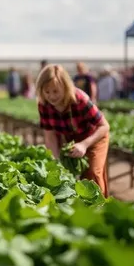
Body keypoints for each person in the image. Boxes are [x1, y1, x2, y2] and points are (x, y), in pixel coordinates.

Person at [36, 64, 111, 197]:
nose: (51, 96)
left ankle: (100, 209)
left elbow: (104, 126)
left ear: (65, 87)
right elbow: (50, 136)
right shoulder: (43, 104)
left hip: (95, 137)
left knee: (93, 173)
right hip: (71, 140)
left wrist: (84, 144)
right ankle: (82, 208)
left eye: (55, 91)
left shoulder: (79, 99)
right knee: (70, 175)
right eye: (47, 92)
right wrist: (56, 160)